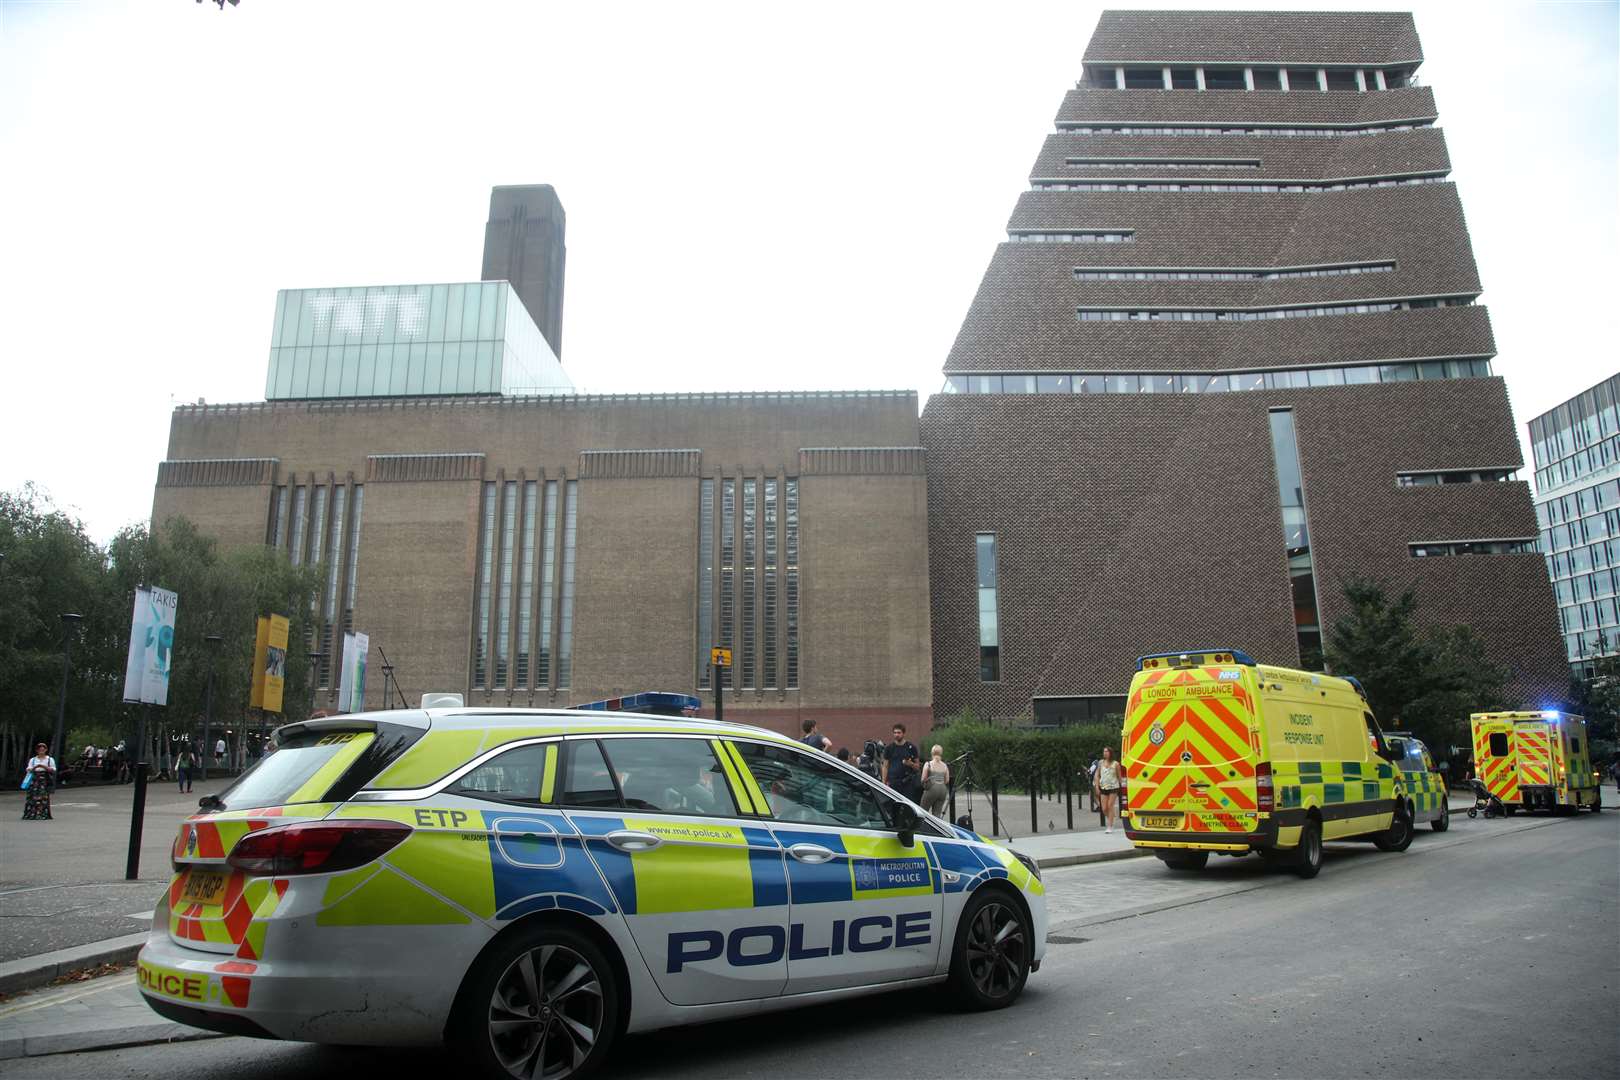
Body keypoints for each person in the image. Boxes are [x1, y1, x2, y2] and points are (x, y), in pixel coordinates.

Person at [881, 724, 921, 801]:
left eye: (899, 733)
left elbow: (917, 767)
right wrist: (883, 782)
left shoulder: (911, 747)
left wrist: (910, 764)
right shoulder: (889, 748)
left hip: (907, 783)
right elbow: (885, 766)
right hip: (893, 782)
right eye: (895, 733)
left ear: (903, 733)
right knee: (893, 805)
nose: (896, 735)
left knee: (907, 805)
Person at [21, 743, 56, 821]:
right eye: (40, 749)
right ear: (37, 750)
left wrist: (43, 766)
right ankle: (31, 813)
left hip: (44, 779)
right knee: (32, 796)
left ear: (46, 750)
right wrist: (35, 767)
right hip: (34, 779)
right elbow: (28, 769)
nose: (41, 751)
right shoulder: (33, 759)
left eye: (43, 749)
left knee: (43, 796)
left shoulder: (49, 759)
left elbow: (53, 769)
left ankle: (42, 814)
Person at [1095, 746, 1122, 833]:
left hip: (1113, 787)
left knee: (1110, 805)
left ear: (1110, 753)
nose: (1105, 753)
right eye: (1104, 752)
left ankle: (1109, 826)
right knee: (1104, 808)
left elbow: (1119, 776)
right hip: (1103, 786)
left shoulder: (1116, 764)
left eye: (1107, 751)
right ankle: (1111, 818)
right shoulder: (1101, 763)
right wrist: (1097, 786)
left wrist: (1123, 786)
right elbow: (1097, 775)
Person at [920, 745, 951, 817]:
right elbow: (947, 780)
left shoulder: (928, 764)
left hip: (932, 787)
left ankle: (923, 827)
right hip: (943, 789)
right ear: (941, 753)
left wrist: (925, 784)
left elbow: (923, 778)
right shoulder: (945, 765)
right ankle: (936, 827)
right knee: (937, 814)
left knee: (923, 811)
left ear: (932, 753)